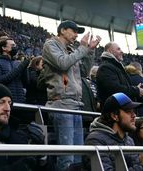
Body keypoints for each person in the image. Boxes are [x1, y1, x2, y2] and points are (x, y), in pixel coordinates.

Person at [40, 20, 100, 171]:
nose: (76, 35)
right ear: (62, 30)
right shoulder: (50, 45)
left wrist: (90, 51)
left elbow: (85, 72)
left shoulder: (72, 50)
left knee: (78, 155)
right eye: (73, 31)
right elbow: (62, 63)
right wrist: (82, 48)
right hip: (61, 104)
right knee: (66, 156)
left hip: (75, 105)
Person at [84, 92, 143, 171]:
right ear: (114, 116)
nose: (134, 115)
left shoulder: (129, 141)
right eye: (128, 111)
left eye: (133, 111)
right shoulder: (95, 140)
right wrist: (142, 167)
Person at [96, 42, 143, 107]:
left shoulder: (117, 67)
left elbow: (125, 89)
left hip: (121, 109)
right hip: (114, 111)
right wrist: (136, 90)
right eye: (118, 49)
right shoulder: (106, 67)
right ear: (109, 51)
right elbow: (115, 89)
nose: (122, 51)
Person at [0, 37, 29, 103]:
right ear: (4, 48)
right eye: (12, 45)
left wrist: (25, 68)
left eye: (15, 45)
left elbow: (26, 82)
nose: (15, 47)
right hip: (4, 101)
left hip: (20, 101)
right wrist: (20, 67)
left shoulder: (17, 63)